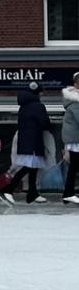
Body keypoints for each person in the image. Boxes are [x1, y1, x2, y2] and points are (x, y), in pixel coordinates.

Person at [2, 83, 51, 205]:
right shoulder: (39, 106)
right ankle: (8, 190)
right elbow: (45, 123)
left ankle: (32, 194)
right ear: (38, 93)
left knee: (33, 167)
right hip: (34, 141)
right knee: (28, 167)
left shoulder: (23, 106)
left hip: (25, 140)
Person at [61, 73, 79, 205]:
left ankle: (68, 193)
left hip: (74, 139)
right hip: (75, 139)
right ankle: (68, 193)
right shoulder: (75, 100)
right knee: (74, 166)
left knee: (74, 166)